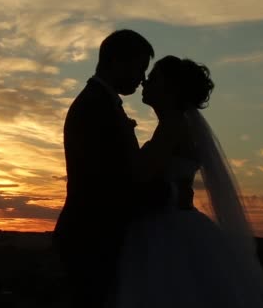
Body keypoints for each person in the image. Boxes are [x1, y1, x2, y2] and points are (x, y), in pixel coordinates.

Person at [114, 55, 263, 308]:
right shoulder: (176, 125)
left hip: (166, 228)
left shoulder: (173, 126)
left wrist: (124, 136)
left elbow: (140, 174)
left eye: (153, 78)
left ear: (170, 88)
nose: (144, 82)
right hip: (178, 222)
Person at [53, 30, 184, 308]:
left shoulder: (101, 103)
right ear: (117, 62)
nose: (142, 78)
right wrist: (170, 195)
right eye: (139, 68)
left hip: (95, 237)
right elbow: (112, 183)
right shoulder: (95, 106)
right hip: (91, 239)